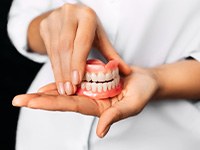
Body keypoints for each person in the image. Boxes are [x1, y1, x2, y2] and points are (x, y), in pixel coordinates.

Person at [7, 0, 200, 150]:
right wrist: (52, 25)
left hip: (163, 137)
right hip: (46, 135)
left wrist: (157, 79)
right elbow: (22, 20)